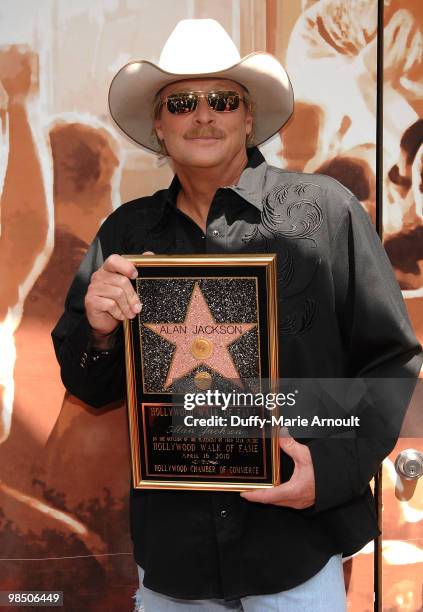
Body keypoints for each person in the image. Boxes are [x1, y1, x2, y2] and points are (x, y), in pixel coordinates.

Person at [52, 19, 422, 612]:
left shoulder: (326, 212)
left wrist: (330, 470)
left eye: (222, 100)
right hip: (175, 566)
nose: (204, 115)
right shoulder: (125, 232)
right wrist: (97, 330)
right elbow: (88, 382)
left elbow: (393, 360)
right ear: (160, 123)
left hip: (296, 561)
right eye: (182, 102)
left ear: (248, 117)